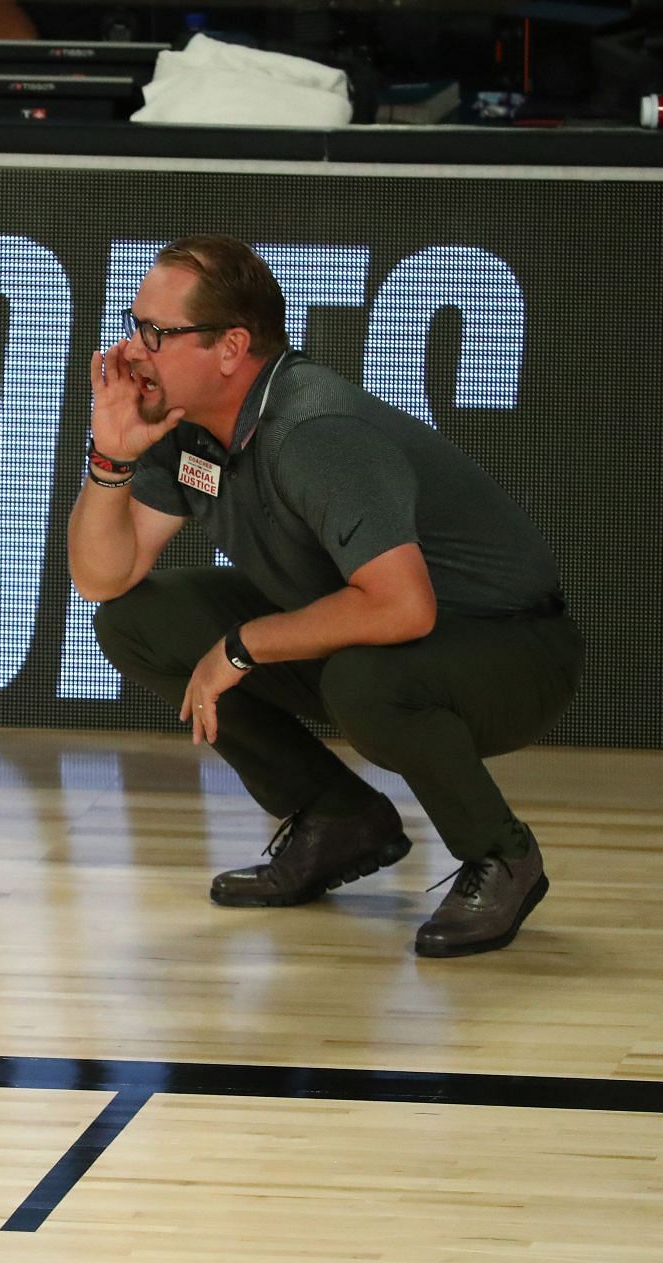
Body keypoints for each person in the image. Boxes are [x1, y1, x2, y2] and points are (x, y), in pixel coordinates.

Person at [69, 234, 582, 958]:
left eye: (157, 331)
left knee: (367, 677)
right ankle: (339, 820)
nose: (135, 349)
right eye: (133, 323)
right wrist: (110, 457)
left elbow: (404, 607)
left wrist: (241, 648)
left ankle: (501, 855)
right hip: (375, 629)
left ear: (230, 346)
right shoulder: (186, 431)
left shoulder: (313, 430)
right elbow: (102, 578)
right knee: (135, 622)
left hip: (510, 646)